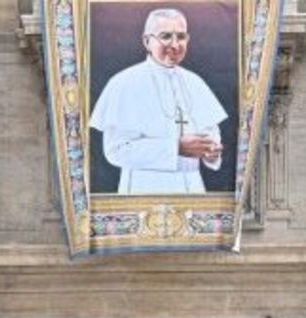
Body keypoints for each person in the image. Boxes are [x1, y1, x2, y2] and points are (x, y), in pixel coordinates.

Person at [90, 8, 228, 194]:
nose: (175, 44)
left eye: (181, 37)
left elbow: (211, 137)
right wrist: (175, 148)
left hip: (193, 192)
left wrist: (211, 153)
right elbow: (115, 151)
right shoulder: (124, 82)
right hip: (143, 191)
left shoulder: (195, 83)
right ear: (147, 41)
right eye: (165, 36)